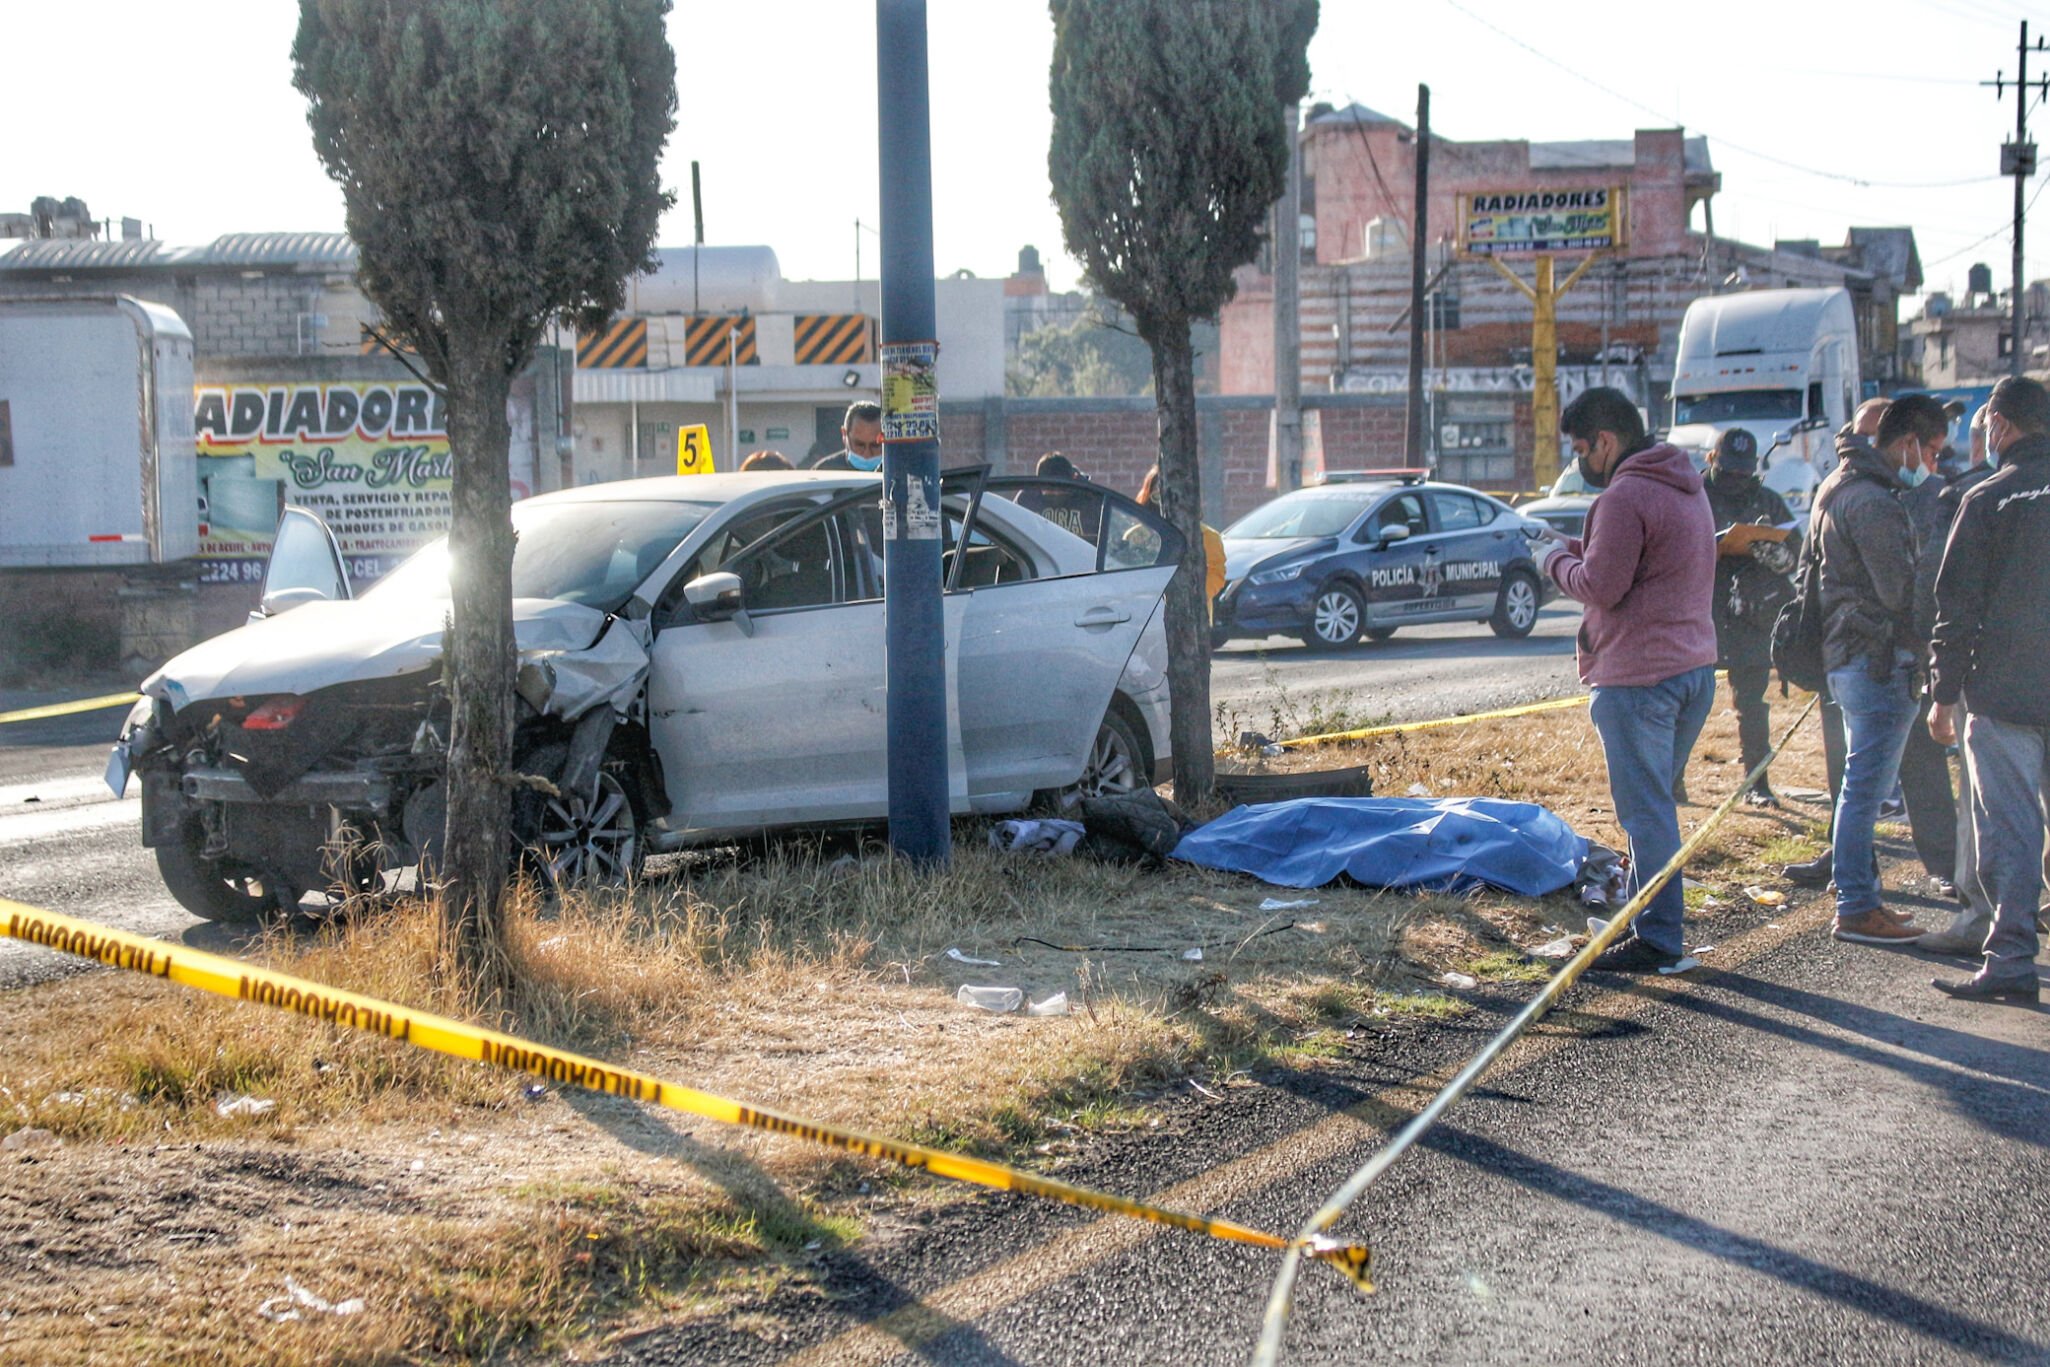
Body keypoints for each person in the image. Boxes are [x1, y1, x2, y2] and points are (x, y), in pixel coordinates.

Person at [1533, 387, 1717, 974]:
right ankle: (1642, 920)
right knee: (1655, 809)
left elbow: (1602, 585)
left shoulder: (1623, 495)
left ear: (1606, 441)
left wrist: (1550, 563)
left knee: (1647, 816)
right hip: (1692, 671)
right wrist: (1570, 546)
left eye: (1582, 448)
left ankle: (1659, 939)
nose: (1579, 462)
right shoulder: (1682, 485)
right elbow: (1632, 560)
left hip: (1640, 680)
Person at [1926, 376, 2050, 1002]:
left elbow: (1956, 608)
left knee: (2013, 831)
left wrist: (1942, 693)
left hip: (2004, 695)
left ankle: (2010, 960)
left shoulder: (1987, 499)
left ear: (1999, 426)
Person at [1812, 393, 1949, 945]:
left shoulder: (1838, 486)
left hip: (1852, 656)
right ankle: (1856, 905)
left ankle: (1862, 898)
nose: (1932, 465)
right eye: (1931, 451)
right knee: (1863, 792)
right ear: (1906, 443)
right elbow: (1899, 591)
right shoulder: (1873, 501)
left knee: (1859, 788)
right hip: (1877, 659)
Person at [1783, 397, 1889, 888]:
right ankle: (1851, 872)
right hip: (1848, 646)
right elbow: (1809, 567)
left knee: (1894, 771)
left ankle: (1944, 863)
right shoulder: (1851, 487)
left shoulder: (1884, 486)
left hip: (1878, 651)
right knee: (1846, 769)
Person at [1918, 403, 2002, 955]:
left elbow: (1941, 594)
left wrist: (1941, 687)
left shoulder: (1967, 498)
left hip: (1989, 675)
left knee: (1985, 804)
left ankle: (1980, 916)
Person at [1702, 427, 1797, 806]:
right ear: (1712, 459)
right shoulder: (1692, 497)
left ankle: (1757, 785)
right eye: (1729, 470)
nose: (1736, 479)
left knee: (1753, 707)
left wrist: (1775, 554)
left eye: (1744, 472)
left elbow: (1796, 555)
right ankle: (1673, 784)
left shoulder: (1768, 501)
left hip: (1752, 618)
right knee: (1684, 704)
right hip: (1701, 615)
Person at [1135, 465, 1226, 623]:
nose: (1165, 506)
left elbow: (1216, 572)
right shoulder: (1136, 536)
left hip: (1193, 621)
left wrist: (1193, 596)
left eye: (1173, 498)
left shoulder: (1207, 537)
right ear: (1148, 498)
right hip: (1144, 621)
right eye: (1157, 497)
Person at [1016, 452, 1098, 541]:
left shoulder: (1089, 498)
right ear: (1039, 484)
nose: (1056, 493)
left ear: (1072, 481)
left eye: (1062, 488)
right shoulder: (1026, 499)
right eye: (1050, 489)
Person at [809, 401, 884, 471]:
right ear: (844, 434)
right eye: (859, 445)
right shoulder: (825, 470)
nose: (867, 454)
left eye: (875, 445)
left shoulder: (894, 472)